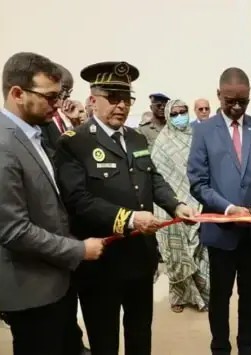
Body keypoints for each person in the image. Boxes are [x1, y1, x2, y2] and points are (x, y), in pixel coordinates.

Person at [54, 61, 197, 355]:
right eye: (113, 98)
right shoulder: (74, 143)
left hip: (140, 258)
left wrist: (175, 205)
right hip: (101, 260)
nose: (121, 106)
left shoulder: (135, 137)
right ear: (93, 100)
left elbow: (152, 177)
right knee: (104, 337)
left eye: (126, 99)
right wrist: (129, 218)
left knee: (140, 332)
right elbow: (78, 200)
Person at [0, 52, 104, 355]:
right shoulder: (4, 147)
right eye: (49, 97)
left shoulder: (32, 134)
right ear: (17, 93)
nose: (57, 104)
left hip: (55, 280)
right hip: (31, 289)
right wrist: (79, 250)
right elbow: (14, 230)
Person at [187, 67, 251, 355]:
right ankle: (220, 347)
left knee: (250, 295)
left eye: (243, 101)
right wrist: (228, 208)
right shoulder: (203, 131)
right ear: (219, 95)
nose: (237, 107)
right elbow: (198, 183)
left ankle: (246, 348)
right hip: (221, 230)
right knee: (220, 296)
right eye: (230, 101)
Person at [152, 98, 209, 313]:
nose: (179, 116)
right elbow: (158, 178)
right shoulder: (161, 142)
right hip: (171, 206)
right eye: (174, 113)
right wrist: (174, 203)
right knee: (177, 254)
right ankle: (179, 296)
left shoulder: (198, 136)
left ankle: (202, 294)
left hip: (198, 203)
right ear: (167, 116)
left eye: (182, 112)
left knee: (201, 252)